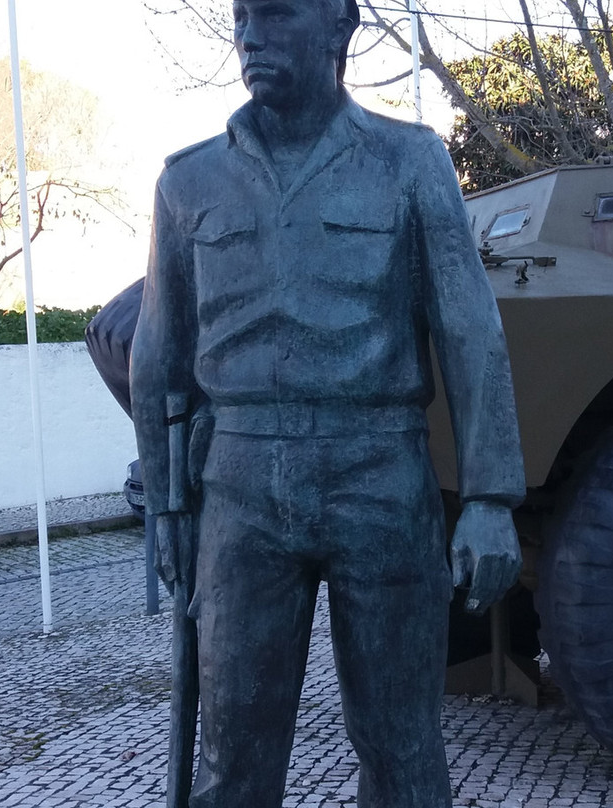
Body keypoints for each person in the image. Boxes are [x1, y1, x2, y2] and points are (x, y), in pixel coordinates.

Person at [129, 0, 526, 805]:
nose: (250, 35)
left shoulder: (410, 162)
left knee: (401, 747)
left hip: (378, 474)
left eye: (274, 16)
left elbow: (469, 328)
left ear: (340, 32)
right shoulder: (189, 180)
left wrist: (489, 497)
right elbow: (158, 358)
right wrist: (169, 508)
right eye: (242, 17)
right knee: (234, 752)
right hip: (240, 487)